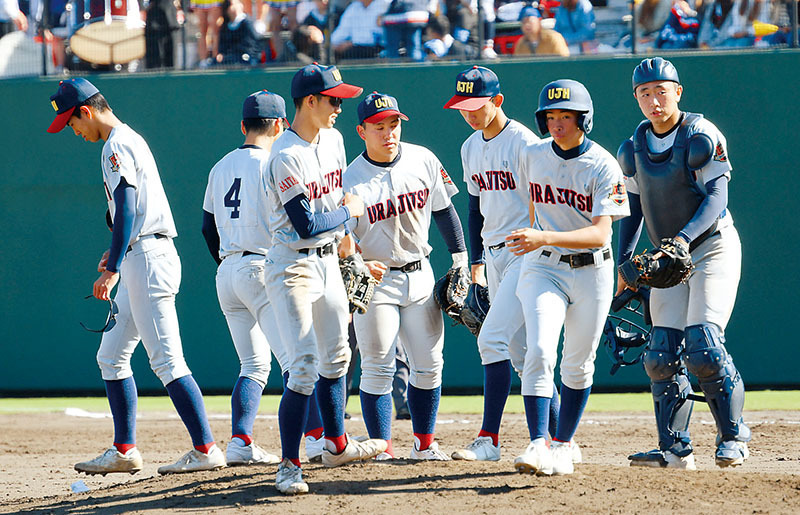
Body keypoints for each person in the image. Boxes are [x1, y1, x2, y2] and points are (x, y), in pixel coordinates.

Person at [47, 78, 226, 476]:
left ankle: (205, 448)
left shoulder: (116, 145)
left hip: (147, 259)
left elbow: (127, 206)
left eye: (72, 122)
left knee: (166, 360)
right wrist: (115, 253)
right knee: (110, 356)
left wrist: (112, 268)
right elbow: (128, 212)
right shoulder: (128, 139)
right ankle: (124, 449)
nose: (73, 131)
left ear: (86, 111)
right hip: (139, 255)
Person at [617, 57, 750, 469]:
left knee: (704, 347)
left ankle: (733, 437)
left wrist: (681, 240)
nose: (653, 100)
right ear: (636, 98)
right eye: (644, 93)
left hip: (711, 247)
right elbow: (634, 209)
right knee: (660, 355)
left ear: (677, 92)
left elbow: (717, 197)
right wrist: (626, 265)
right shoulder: (634, 146)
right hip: (666, 262)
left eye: (661, 91)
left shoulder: (700, 133)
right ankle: (674, 448)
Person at [265, 63, 387, 495]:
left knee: (337, 357)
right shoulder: (284, 154)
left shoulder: (334, 140)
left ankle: (337, 444)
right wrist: (349, 214)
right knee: (301, 367)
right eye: (334, 100)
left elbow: (331, 212)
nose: (340, 107)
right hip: (292, 265)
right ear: (309, 101)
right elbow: (305, 223)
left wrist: (349, 243)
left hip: (328, 261)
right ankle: (288, 464)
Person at [443, 66, 565, 463]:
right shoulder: (469, 146)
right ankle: (562, 439)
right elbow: (475, 205)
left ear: (497, 101)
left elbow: (546, 199)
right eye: (462, 106)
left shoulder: (523, 143)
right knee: (521, 352)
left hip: (525, 250)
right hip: (494, 254)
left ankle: (489, 439)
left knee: (490, 338)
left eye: (476, 105)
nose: (469, 113)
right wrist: (476, 260)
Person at [508, 79, 629, 476]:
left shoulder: (603, 164)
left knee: (577, 364)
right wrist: (535, 236)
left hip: (593, 270)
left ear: (583, 119)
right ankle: (538, 442)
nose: (557, 123)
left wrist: (542, 233)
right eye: (551, 116)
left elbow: (600, 233)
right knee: (540, 351)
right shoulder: (533, 153)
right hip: (543, 266)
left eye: (566, 116)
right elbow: (531, 201)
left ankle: (562, 445)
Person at [341, 91, 468, 460]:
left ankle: (424, 444)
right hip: (376, 281)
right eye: (378, 126)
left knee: (428, 366)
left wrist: (460, 259)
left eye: (393, 124)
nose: (388, 132)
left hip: (420, 274)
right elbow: (343, 233)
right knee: (377, 366)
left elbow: (445, 211)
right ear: (361, 131)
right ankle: (382, 448)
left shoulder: (423, 159)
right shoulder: (351, 178)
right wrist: (358, 266)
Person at [201, 90, 289, 467]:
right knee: (294, 363)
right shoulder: (274, 163)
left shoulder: (220, 166)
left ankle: (240, 441)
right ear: (280, 125)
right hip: (261, 267)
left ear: (243, 125)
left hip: (227, 271)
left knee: (252, 365)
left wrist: (227, 263)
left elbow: (207, 228)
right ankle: (317, 440)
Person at [215, 0, 262, 65]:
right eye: (232, 5)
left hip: (245, 59)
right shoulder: (225, 27)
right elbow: (222, 47)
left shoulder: (247, 23)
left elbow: (253, 46)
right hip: (230, 60)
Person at [144, 0, 184, 69]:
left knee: (169, 54)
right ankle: (153, 71)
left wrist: (180, 9)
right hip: (153, 18)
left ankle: (169, 70)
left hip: (169, 18)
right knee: (153, 54)